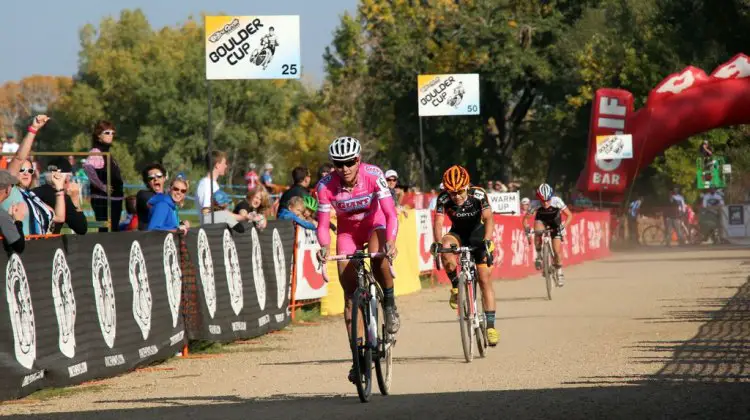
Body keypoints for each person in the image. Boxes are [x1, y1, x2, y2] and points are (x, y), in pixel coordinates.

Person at [315, 136, 400, 383]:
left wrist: (391, 241)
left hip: (375, 225)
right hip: (347, 233)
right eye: (339, 164)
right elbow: (322, 225)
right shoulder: (325, 186)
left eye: (350, 162)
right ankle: (357, 359)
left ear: (358, 159)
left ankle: (390, 303)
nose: (345, 168)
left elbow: (390, 213)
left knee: (378, 258)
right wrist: (323, 246)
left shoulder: (374, 175)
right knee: (350, 299)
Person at [431, 165, 499, 346]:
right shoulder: (443, 198)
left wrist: (487, 239)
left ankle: (491, 326)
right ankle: (455, 286)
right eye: (452, 193)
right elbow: (438, 222)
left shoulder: (478, 194)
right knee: (445, 246)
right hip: (458, 234)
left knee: (484, 279)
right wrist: (438, 243)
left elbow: (488, 218)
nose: (457, 196)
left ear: (467, 186)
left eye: (460, 191)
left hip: (478, 233)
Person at [2, 115, 67, 235]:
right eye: (22, 170)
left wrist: (59, 189)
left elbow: (59, 217)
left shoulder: (33, 198)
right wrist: (33, 129)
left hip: (37, 249)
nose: (26, 173)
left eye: (30, 171)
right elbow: (18, 158)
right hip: (17, 250)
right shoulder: (9, 190)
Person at [522, 183, 574, 284]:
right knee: (537, 231)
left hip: (555, 222)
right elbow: (525, 220)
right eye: (542, 201)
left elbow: (569, 215)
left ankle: (559, 271)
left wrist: (564, 227)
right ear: (538, 199)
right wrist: (527, 230)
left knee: (557, 251)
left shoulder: (557, 201)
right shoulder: (534, 204)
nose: (545, 203)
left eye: (547, 200)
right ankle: (539, 256)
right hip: (541, 221)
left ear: (551, 197)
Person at [84, 120, 124, 232]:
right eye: (107, 132)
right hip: (103, 199)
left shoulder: (107, 153)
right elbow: (88, 167)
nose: (111, 135)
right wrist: (102, 186)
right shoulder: (97, 151)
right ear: (98, 135)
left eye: (112, 133)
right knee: (105, 230)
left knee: (113, 230)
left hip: (114, 199)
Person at [32, 157, 88, 235]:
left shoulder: (33, 193)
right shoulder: (63, 199)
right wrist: (75, 199)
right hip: (50, 243)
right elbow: (81, 228)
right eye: (70, 178)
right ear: (66, 179)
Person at [0, 170, 26, 254]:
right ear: (7, 189)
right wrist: (18, 221)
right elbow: (19, 246)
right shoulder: (1, 214)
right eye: (12, 185)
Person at [136, 163, 166, 230]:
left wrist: (182, 223)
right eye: (151, 178)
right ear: (147, 182)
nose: (155, 179)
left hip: (164, 237)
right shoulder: (143, 195)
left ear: (164, 178)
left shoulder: (168, 197)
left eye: (159, 176)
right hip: (147, 238)